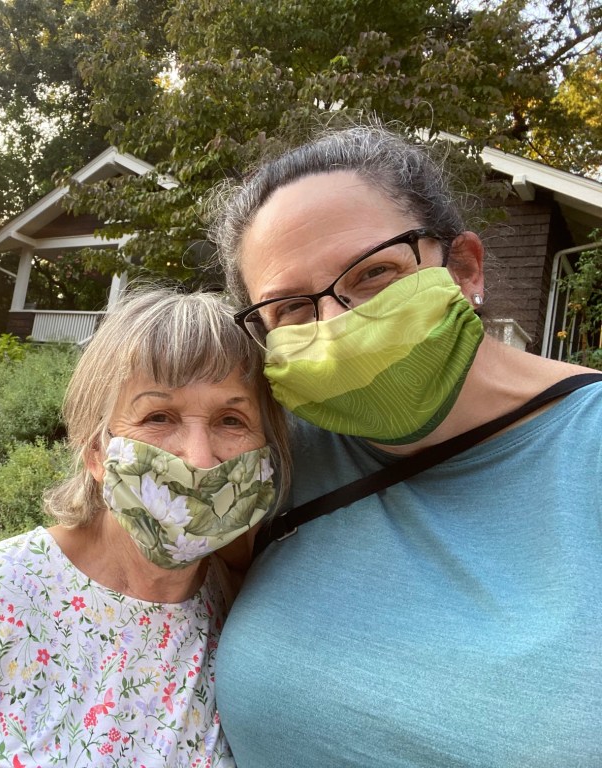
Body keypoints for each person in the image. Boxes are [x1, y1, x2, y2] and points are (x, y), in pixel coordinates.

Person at [207, 123, 602, 766]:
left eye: (373, 273)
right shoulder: (270, 451)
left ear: (465, 267)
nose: (339, 328)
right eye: (290, 310)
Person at [0, 288, 290, 766]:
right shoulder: (0, 592)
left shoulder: (241, 615)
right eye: (159, 416)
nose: (198, 458)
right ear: (96, 451)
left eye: (231, 419)